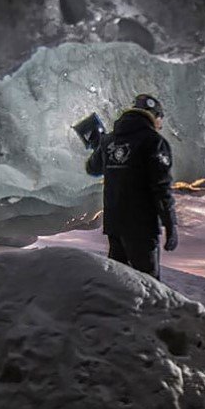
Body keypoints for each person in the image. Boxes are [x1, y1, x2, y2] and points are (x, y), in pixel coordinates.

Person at [85, 93, 178, 279]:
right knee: (148, 285)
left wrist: (99, 145)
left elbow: (92, 168)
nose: (160, 124)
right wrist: (170, 224)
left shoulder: (108, 140)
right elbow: (161, 187)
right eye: (160, 118)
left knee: (120, 285)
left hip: (115, 224)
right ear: (153, 115)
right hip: (142, 226)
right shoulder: (154, 141)